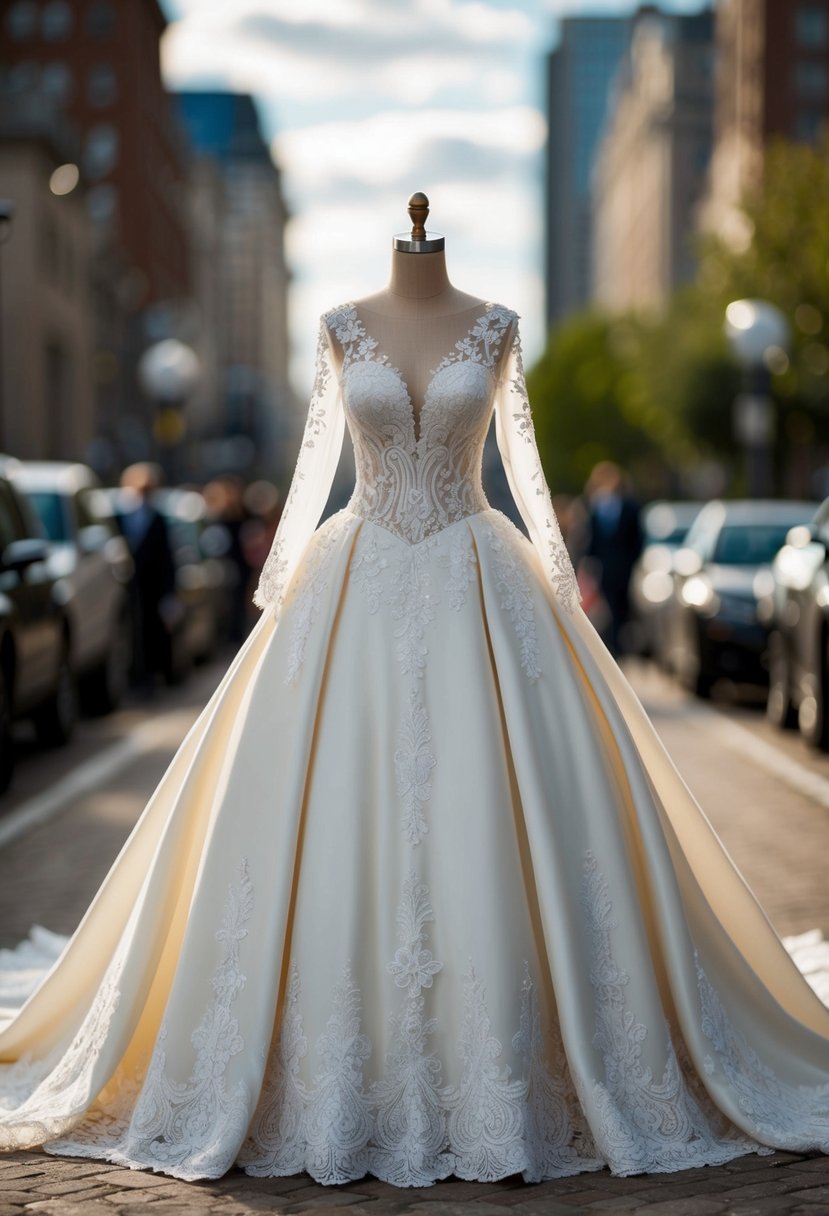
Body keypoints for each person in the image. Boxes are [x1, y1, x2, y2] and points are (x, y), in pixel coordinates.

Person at [0, 217, 828, 1187]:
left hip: (479, 574)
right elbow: (317, 467)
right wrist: (275, 599)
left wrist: (558, 589)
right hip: (354, 578)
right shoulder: (341, 325)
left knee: (506, 813)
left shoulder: (499, 325)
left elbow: (520, 466)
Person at [115, 463, 180, 691]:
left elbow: (167, 559)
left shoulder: (158, 519)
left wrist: (169, 594)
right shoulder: (119, 516)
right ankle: (134, 676)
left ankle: (152, 675)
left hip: (153, 589)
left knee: (153, 633)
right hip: (127, 589)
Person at [582, 461, 643, 657]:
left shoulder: (630, 507)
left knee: (622, 608)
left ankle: (620, 646)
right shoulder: (595, 507)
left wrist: (631, 561)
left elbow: (637, 539)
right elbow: (592, 540)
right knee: (607, 608)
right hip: (604, 569)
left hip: (624, 569)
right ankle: (613, 646)